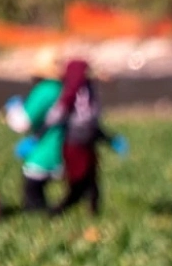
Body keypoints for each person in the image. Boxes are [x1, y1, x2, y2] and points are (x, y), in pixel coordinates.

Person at [46, 59, 128, 217]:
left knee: (92, 182)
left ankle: (92, 213)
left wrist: (110, 139)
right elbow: (56, 118)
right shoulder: (69, 95)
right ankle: (57, 212)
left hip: (87, 143)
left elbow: (93, 122)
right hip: (75, 144)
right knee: (78, 183)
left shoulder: (87, 91)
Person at [5, 47, 64, 213]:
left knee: (32, 197)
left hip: (45, 154)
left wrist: (13, 109)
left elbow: (21, 123)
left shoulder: (45, 90)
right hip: (66, 150)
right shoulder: (64, 89)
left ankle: (42, 214)